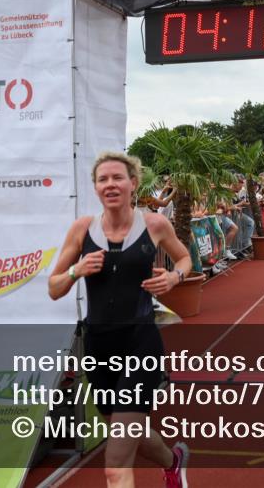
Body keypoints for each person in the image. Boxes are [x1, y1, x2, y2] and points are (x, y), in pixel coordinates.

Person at [48, 152, 192, 488]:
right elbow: (54, 288)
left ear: (133, 183)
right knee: (129, 430)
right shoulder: (82, 229)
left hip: (140, 341)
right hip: (99, 345)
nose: (110, 184)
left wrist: (174, 278)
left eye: (117, 178)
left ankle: (169, 464)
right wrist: (75, 270)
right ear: (96, 188)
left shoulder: (154, 224)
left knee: (115, 465)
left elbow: (183, 258)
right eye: (103, 179)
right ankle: (174, 461)